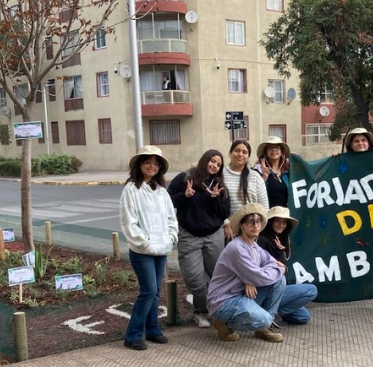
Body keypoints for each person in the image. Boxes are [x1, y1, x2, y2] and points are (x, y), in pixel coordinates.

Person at [119, 146, 178, 351]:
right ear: (139, 164)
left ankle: (152, 329)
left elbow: (172, 217)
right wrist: (144, 242)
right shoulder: (131, 190)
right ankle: (133, 334)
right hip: (142, 251)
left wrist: (171, 237)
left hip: (161, 249)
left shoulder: (161, 191)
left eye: (156, 162)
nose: (152, 166)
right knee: (148, 290)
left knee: (155, 292)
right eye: (148, 161)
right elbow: (128, 222)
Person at [168, 149, 231, 328]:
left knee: (217, 275)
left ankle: (201, 311)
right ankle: (219, 307)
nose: (214, 166)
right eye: (212, 161)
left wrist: (215, 199)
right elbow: (167, 201)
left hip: (214, 236)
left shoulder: (219, 185)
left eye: (218, 164)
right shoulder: (184, 178)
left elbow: (225, 212)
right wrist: (185, 196)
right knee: (194, 278)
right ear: (204, 160)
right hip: (189, 235)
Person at [207, 204, 287, 343]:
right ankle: (224, 323)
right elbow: (260, 275)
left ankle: (262, 328)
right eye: (251, 222)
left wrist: (251, 278)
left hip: (240, 295)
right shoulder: (237, 247)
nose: (256, 225)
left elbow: (270, 262)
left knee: (279, 281)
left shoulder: (253, 245)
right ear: (242, 225)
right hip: (224, 301)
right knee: (265, 318)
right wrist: (280, 269)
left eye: (258, 221)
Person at [257, 206, 318, 325]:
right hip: (269, 289)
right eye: (277, 221)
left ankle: (275, 311)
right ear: (271, 222)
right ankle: (268, 314)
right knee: (311, 290)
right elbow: (265, 267)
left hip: (281, 288)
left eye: (284, 222)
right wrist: (277, 252)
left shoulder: (283, 239)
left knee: (303, 317)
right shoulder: (262, 240)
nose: (281, 225)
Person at [222, 140, 269, 241]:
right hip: (226, 232)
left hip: (250, 233)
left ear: (248, 157)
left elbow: (264, 208)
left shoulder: (255, 177)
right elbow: (214, 204)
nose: (240, 154)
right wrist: (226, 224)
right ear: (230, 153)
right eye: (237, 150)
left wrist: (254, 229)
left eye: (244, 152)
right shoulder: (220, 175)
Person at [254, 136, 290, 208]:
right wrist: (263, 178)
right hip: (267, 214)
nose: (274, 150)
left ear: (282, 152)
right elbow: (254, 194)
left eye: (277, 147)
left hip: (285, 215)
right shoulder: (258, 171)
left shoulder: (288, 172)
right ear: (266, 152)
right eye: (270, 148)